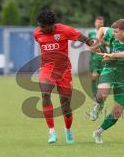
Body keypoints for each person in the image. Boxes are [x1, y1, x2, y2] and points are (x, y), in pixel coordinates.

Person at [33, 9, 93, 144]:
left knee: (66, 107)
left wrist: (93, 44)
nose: (40, 29)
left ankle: (68, 130)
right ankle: (52, 132)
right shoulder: (37, 33)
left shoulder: (65, 30)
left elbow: (83, 38)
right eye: (39, 25)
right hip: (47, 68)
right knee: (45, 94)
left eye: (43, 27)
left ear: (52, 25)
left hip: (64, 70)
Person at [89, 19, 124, 144]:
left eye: (116, 32)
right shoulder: (113, 32)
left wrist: (112, 55)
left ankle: (98, 132)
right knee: (102, 94)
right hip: (111, 68)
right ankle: (99, 105)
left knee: (117, 112)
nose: (113, 34)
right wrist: (96, 42)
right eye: (113, 31)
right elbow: (101, 30)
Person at [88, 16, 106, 100]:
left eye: (101, 22)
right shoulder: (91, 33)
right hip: (94, 58)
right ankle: (94, 95)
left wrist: (103, 42)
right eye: (98, 22)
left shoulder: (106, 33)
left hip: (103, 58)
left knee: (101, 77)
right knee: (94, 76)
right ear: (95, 23)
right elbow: (88, 43)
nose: (99, 24)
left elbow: (109, 44)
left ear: (103, 24)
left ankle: (99, 95)